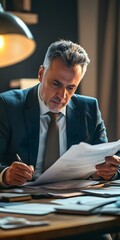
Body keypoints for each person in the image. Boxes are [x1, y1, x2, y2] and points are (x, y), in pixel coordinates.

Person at [0, 39, 120, 187]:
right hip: (23, 199)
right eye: (56, 84)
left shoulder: (89, 108)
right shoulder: (8, 105)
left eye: (70, 87)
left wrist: (110, 171)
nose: (62, 95)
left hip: (74, 198)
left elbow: (106, 161)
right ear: (41, 73)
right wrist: (5, 175)